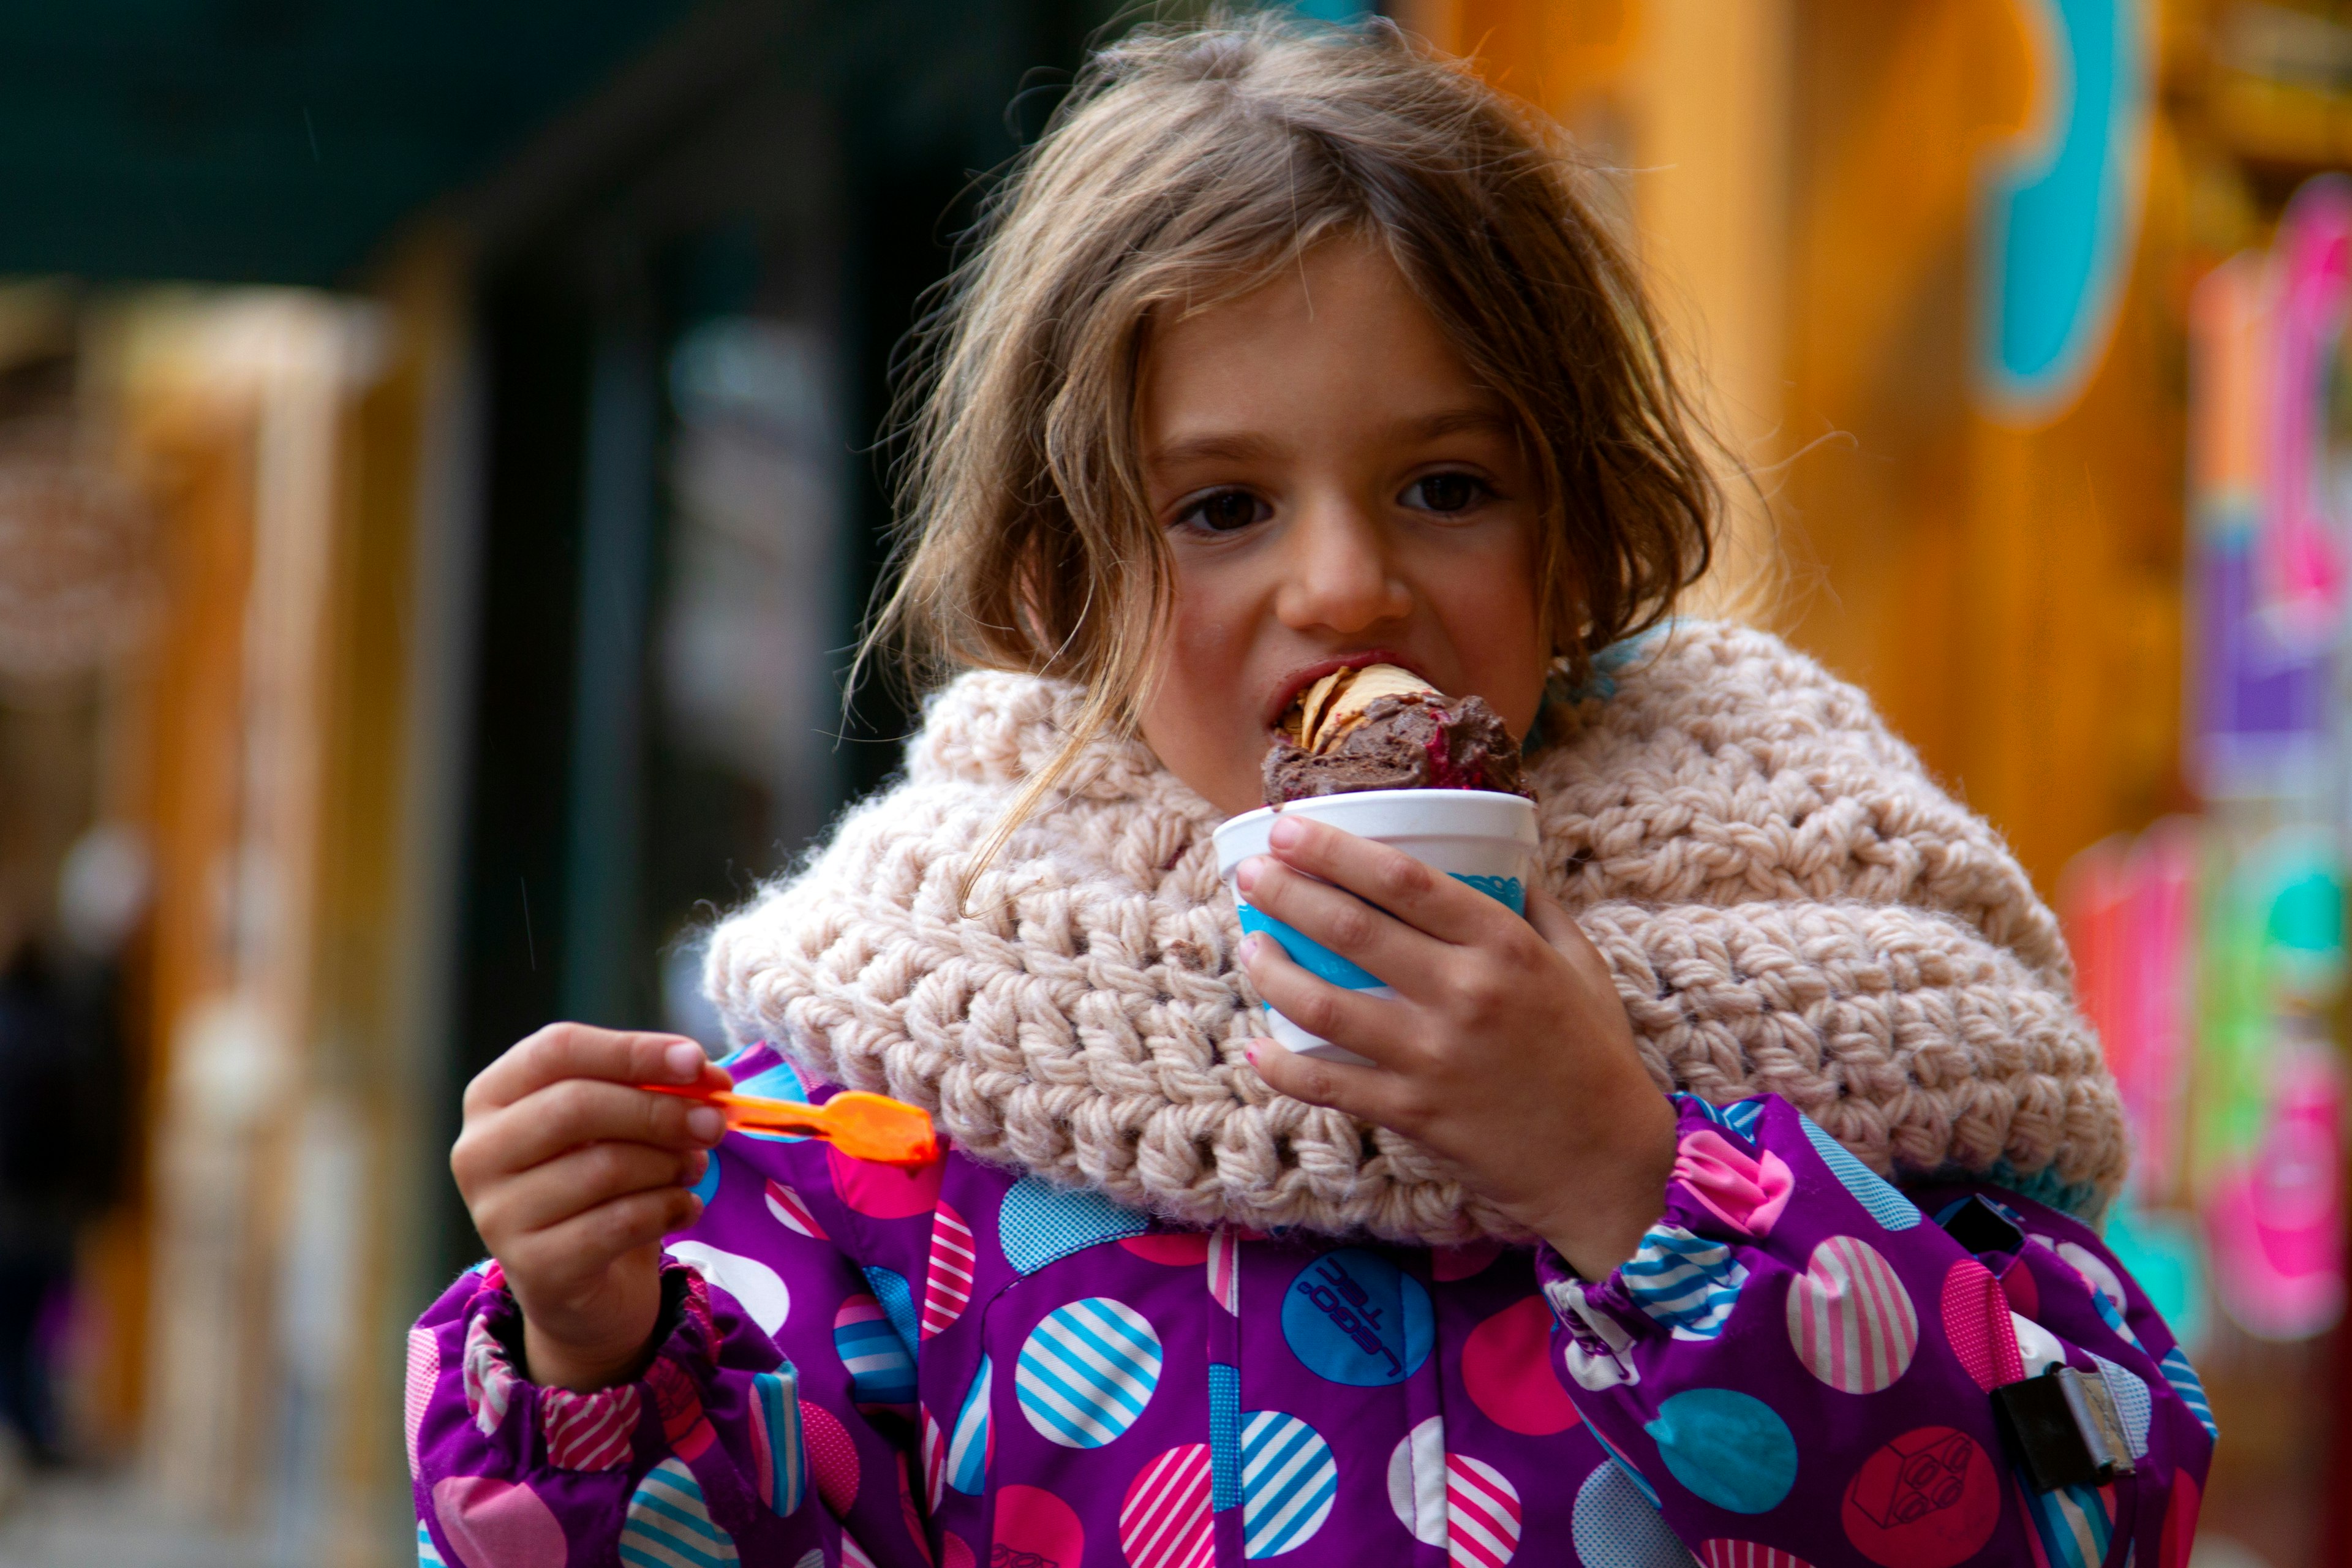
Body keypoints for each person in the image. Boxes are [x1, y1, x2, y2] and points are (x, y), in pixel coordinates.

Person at [412, 15, 2214, 1566]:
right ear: (1063, 579)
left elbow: (2088, 1506)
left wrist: (1622, 1164)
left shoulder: (1850, 965)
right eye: (1220, 510)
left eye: (1446, 486)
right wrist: (588, 1355)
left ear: (1580, 520)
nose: (1345, 584)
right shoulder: (891, 1098)